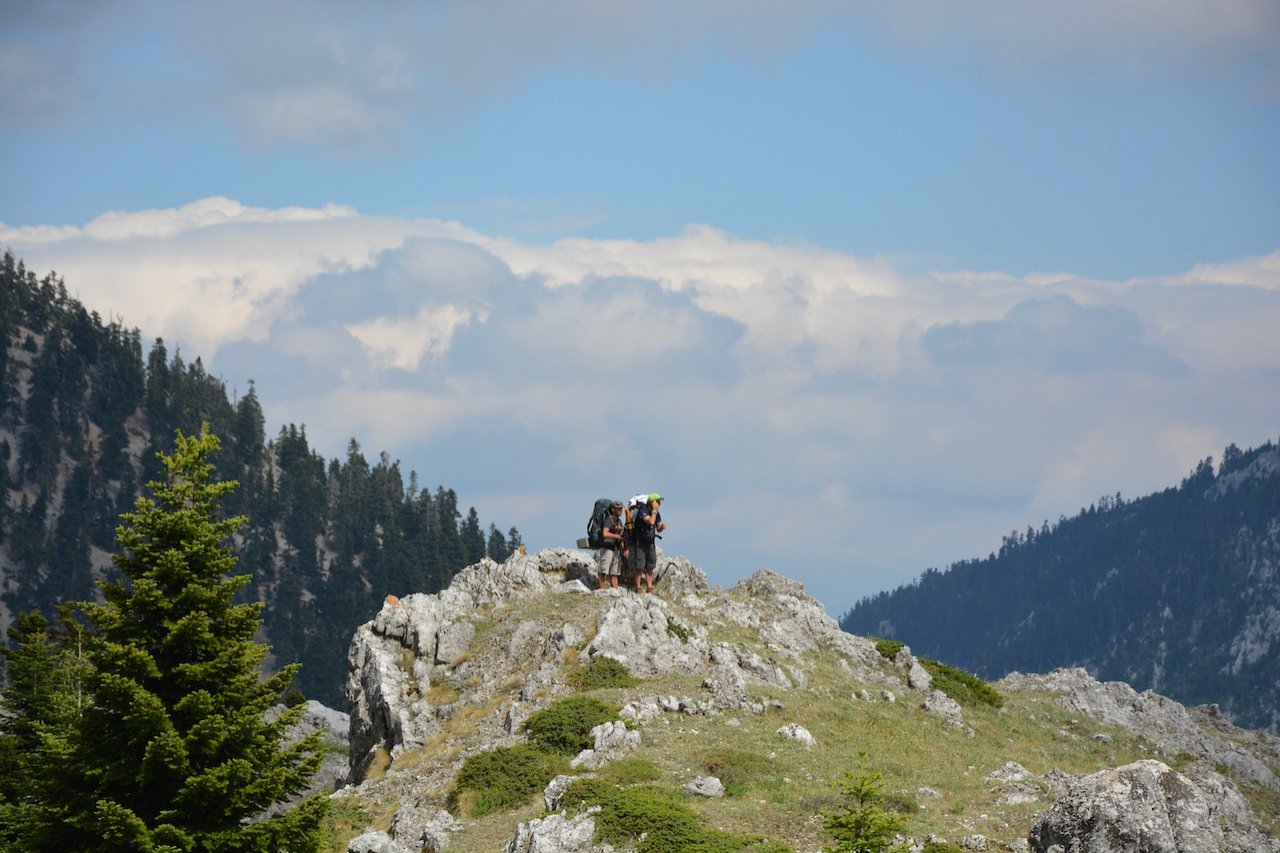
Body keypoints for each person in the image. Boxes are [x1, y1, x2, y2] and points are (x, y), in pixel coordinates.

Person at [630, 492, 665, 593]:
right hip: (640, 542)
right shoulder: (643, 511)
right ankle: (638, 586)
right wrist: (654, 511)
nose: (659, 504)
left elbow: (657, 527)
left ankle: (650, 587)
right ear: (652, 502)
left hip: (650, 543)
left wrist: (661, 527)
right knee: (640, 566)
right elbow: (650, 522)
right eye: (657, 501)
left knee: (650, 566)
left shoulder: (656, 513)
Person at [595, 500, 626, 590]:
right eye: (618, 509)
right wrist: (616, 536)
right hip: (607, 548)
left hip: (616, 549)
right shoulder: (609, 519)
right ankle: (601, 590)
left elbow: (620, 537)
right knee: (603, 571)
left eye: (621, 508)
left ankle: (615, 592)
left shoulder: (619, 521)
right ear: (613, 509)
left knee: (614, 573)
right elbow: (605, 533)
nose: (621, 510)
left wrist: (623, 548)